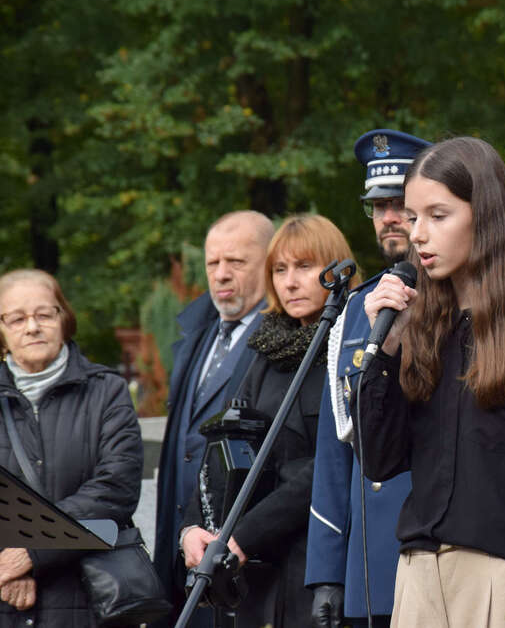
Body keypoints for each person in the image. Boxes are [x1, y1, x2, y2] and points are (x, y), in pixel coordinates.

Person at [356, 136, 505, 628]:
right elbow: (379, 458)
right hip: (418, 574)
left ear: (484, 215)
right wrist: (387, 351)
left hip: (498, 577)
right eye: (413, 217)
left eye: (438, 216)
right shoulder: (421, 326)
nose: (418, 234)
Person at [180, 213, 361, 628]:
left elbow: (331, 463)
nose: (290, 282)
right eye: (280, 269)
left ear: (336, 270)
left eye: (304, 267)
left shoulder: (352, 344)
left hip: (318, 559)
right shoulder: (267, 349)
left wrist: (243, 535)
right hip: (256, 571)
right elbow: (224, 444)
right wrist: (194, 527)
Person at [306, 129, 430, 628]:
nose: (389, 218)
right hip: (367, 565)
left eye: (401, 203)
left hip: (441, 551)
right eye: (378, 207)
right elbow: (335, 452)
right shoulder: (357, 308)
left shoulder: (465, 299)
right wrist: (327, 573)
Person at [0, 269, 144, 626]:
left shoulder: (106, 391)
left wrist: (32, 552)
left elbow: (116, 488)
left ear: (64, 319)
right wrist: (8, 567)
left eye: (44, 314)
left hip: (88, 599)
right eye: (16, 319)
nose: (32, 327)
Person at [154, 210, 274, 626]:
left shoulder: (281, 341)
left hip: (242, 568)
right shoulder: (196, 338)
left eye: (236, 262)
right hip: (185, 558)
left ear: (269, 263)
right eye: (213, 263)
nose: (221, 274)